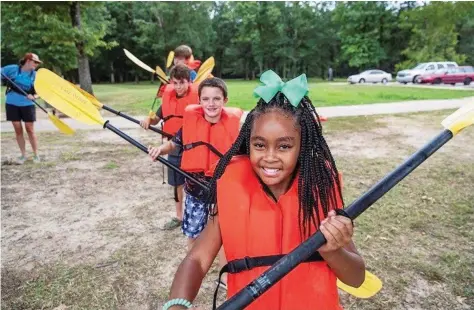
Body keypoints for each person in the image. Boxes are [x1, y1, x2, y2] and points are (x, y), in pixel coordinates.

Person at [161, 70, 365, 310]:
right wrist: (176, 305)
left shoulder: (318, 188)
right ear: (247, 142)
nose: (270, 158)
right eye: (259, 145)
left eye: (284, 146)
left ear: (302, 146)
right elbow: (197, 259)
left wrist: (333, 251)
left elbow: (356, 277)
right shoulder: (232, 187)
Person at [149, 78, 243, 288]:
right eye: (206, 99)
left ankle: (224, 276)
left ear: (224, 100)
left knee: (224, 238)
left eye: (216, 99)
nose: (211, 104)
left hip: (222, 193)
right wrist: (160, 150)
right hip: (194, 191)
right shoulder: (191, 123)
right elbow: (174, 144)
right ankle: (193, 270)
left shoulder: (236, 128)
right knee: (193, 234)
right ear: (199, 101)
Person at [140, 64, 199, 230]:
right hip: (173, 146)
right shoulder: (168, 98)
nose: (178, 86)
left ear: (189, 81)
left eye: (182, 82)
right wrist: (147, 120)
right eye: (175, 83)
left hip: (193, 147)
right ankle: (178, 216)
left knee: (195, 182)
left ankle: (195, 214)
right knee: (177, 184)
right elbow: (155, 118)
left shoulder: (198, 99)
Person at [1, 53, 42, 164]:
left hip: (27, 105)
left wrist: (34, 96)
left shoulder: (35, 75)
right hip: (12, 103)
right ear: (28, 60)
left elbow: (41, 92)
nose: (37, 64)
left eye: (38, 63)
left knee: (30, 129)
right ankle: (23, 155)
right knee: (18, 130)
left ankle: (36, 155)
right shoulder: (12, 69)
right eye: (35, 62)